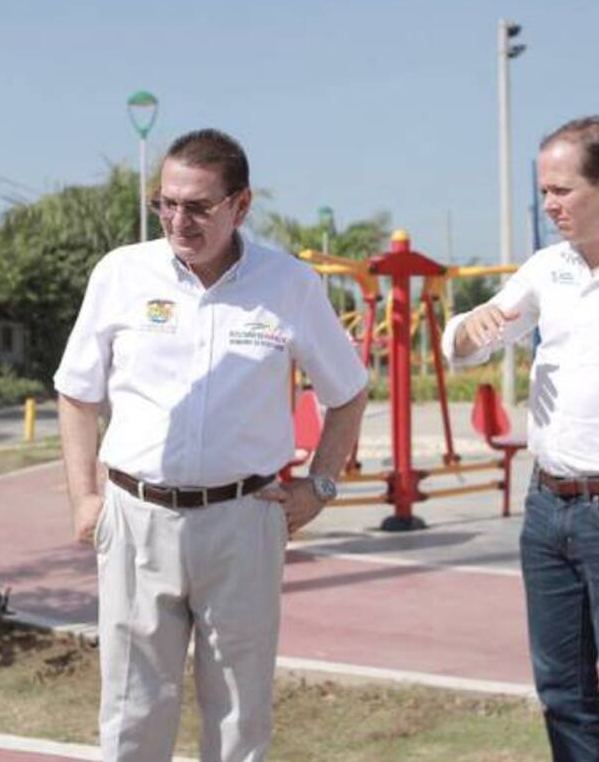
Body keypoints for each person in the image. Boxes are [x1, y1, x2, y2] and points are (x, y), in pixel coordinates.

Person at [54, 128, 367, 762]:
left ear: (241, 204)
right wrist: (84, 498)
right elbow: (77, 394)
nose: (178, 220)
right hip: (135, 518)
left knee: (238, 714)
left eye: (198, 206)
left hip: (244, 521)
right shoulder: (122, 274)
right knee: (133, 709)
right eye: (165, 203)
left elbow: (349, 391)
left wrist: (322, 485)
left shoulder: (289, 285)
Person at [443, 116, 599, 761]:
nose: (549, 205)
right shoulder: (548, 269)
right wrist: (472, 328)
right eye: (544, 190)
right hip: (546, 509)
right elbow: (463, 343)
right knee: (560, 691)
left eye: (562, 190)